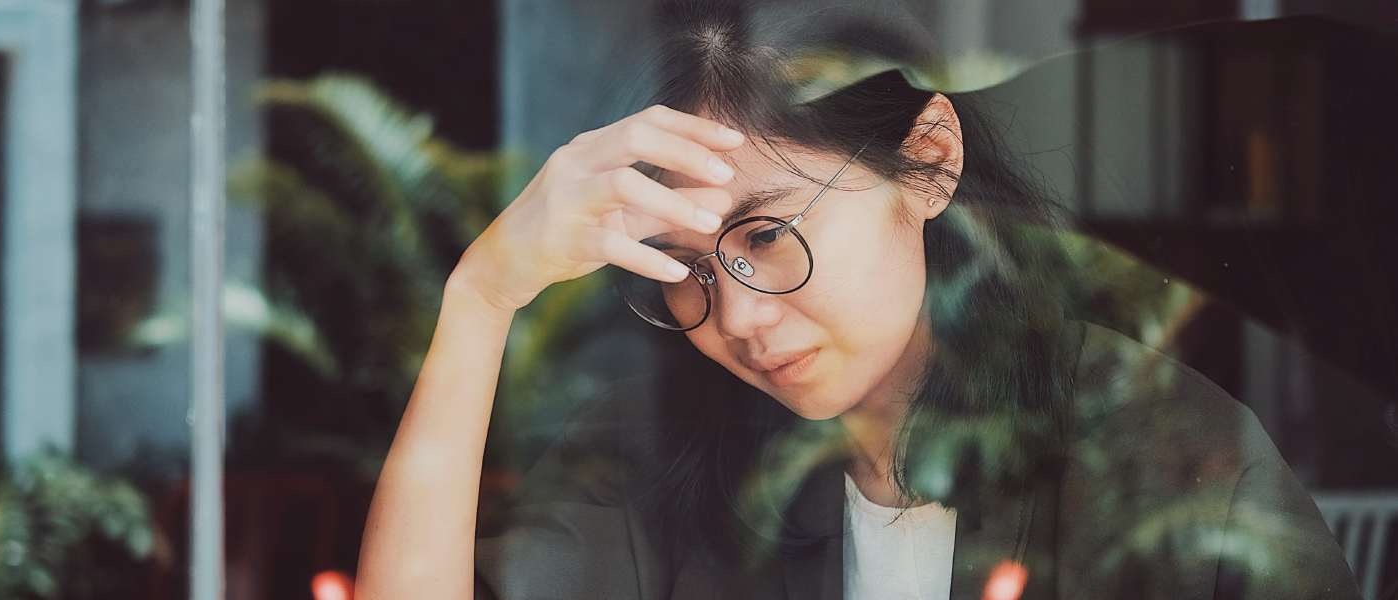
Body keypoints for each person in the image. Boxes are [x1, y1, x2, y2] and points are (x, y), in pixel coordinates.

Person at [355, 3, 1359, 599]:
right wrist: (482, 294)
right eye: (689, 271)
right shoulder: (671, 462)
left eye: (765, 235)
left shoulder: (1157, 451)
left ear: (929, 163)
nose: (738, 319)